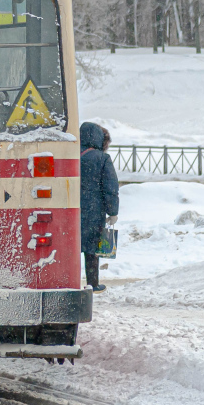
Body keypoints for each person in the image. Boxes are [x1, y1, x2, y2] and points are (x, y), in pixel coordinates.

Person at [79, 122, 119, 292]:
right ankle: (92, 283)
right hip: (93, 210)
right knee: (92, 249)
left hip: (70, 208)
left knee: (72, 245)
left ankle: (69, 282)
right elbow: (110, 188)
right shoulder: (102, 158)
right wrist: (113, 211)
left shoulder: (69, 154)